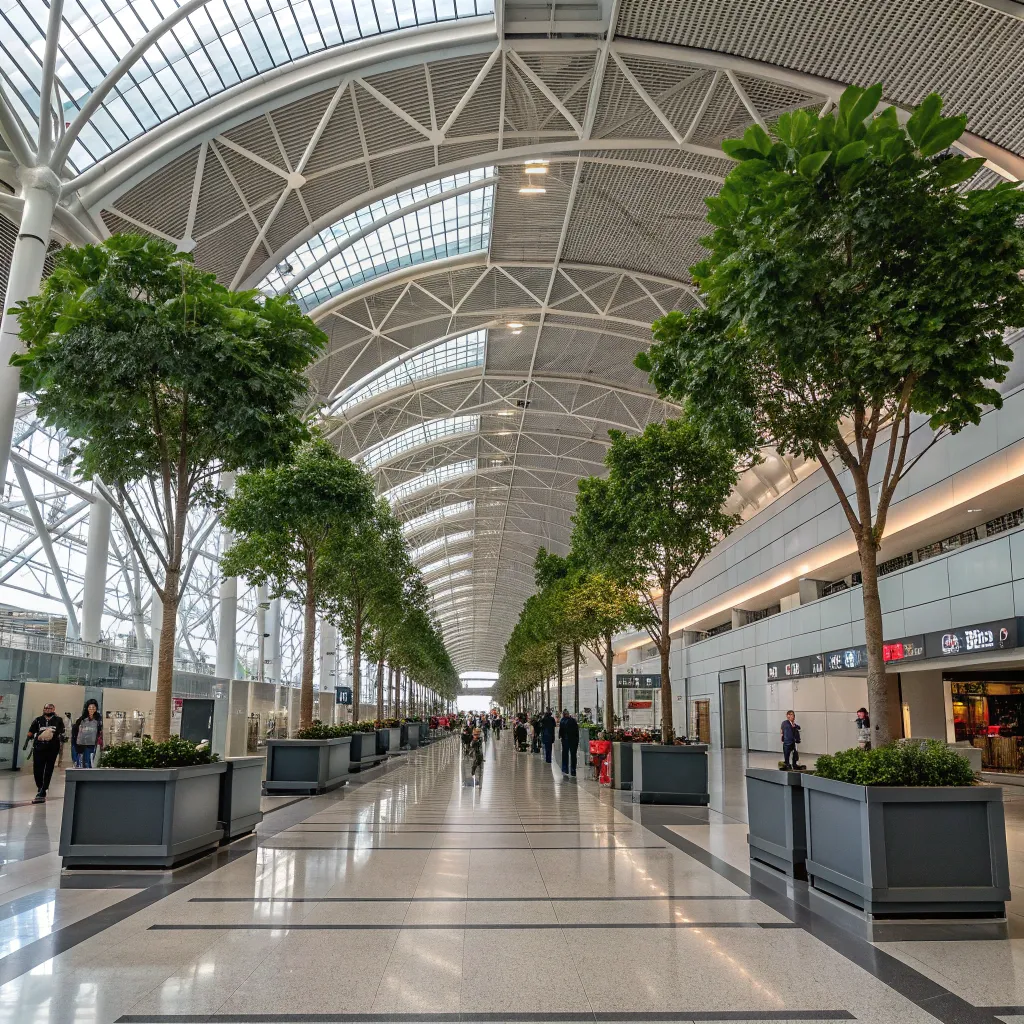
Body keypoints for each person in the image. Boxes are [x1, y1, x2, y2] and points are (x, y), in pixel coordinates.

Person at [25, 702, 65, 802]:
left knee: (48, 769)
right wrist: (29, 737)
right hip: (39, 747)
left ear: (54, 709)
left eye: (50, 708)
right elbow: (31, 731)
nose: (48, 710)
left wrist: (54, 735)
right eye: (46, 708)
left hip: (52, 748)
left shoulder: (58, 720)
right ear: (43, 709)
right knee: (37, 769)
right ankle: (40, 786)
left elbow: (62, 731)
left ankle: (44, 789)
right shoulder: (38, 720)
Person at [71, 699, 103, 768]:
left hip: (94, 744)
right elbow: (76, 730)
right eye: (90, 707)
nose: (91, 709)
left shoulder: (99, 719)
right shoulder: (82, 718)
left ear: (96, 708)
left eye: (93, 707)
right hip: (83, 743)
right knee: (84, 761)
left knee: (92, 761)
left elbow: (100, 730)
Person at [558, 709, 580, 778]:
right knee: (573, 755)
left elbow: (561, 731)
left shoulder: (562, 721)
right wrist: (577, 740)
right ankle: (573, 771)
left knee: (565, 754)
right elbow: (577, 731)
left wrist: (560, 737)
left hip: (565, 740)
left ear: (563, 715)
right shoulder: (573, 721)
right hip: (573, 740)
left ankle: (565, 769)